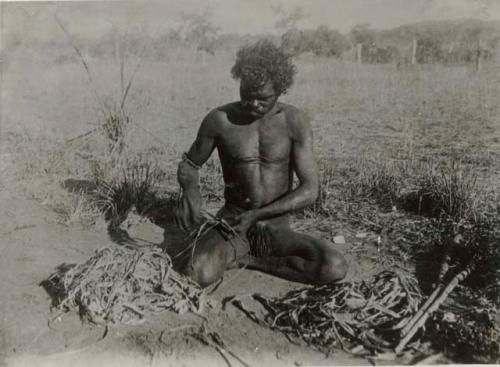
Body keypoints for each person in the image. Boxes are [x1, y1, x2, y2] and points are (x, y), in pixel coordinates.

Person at [172, 40, 347, 287]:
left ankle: (251, 260)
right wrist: (190, 192)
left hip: (275, 228)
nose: (253, 104)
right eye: (246, 95)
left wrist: (258, 215)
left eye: (262, 98)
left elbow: (310, 190)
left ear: (280, 89)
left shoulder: (294, 121)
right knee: (195, 272)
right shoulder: (219, 120)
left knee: (334, 266)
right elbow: (190, 163)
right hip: (233, 224)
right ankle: (237, 252)